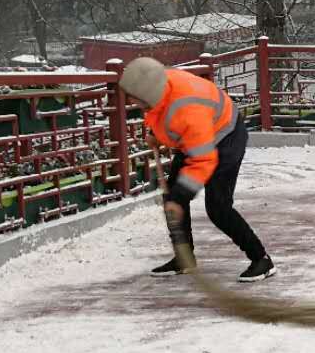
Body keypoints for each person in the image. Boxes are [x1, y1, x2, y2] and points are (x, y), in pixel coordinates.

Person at [118, 57, 276, 281]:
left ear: (148, 94)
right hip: (196, 137)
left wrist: (183, 192)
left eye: (134, 97)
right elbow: (159, 112)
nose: (131, 101)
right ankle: (184, 259)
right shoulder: (160, 84)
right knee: (173, 195)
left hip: (225, 137)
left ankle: (261, 259)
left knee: (218, 207)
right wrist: (155, 134)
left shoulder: (187, 110)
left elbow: (203, 160)